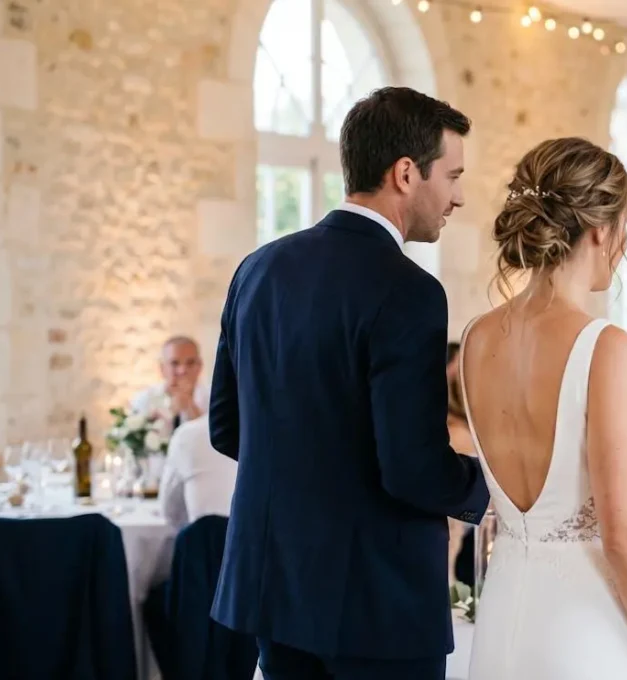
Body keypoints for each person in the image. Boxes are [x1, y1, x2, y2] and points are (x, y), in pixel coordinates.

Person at [209, 87, 491, 679]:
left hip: (274, 586)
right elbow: (411, 468)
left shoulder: (257, 269)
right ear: (407, 173)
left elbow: (228, 427)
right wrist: (491, 486)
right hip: (375, 599)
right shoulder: (409, 291)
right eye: (454, 175)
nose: (459, 196)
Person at [461, 138, 627, 680]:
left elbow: (553, 419)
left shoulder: (475, 338)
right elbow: (626, 538)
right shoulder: (607, 344)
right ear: (602, 229)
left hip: (502, 622)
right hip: (585, 632)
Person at [159, 416, 237, 531]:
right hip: (250, 540)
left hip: (200, 542)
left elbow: (169, 511)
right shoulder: (256, 433)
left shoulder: (186, 435)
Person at [131, 336, 209, 425]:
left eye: (190, 363)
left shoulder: (214, 398)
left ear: (200, 366)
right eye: (174, 363)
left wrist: (190, 406)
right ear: (162, 368)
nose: (182, 370)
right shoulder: (145, 399)